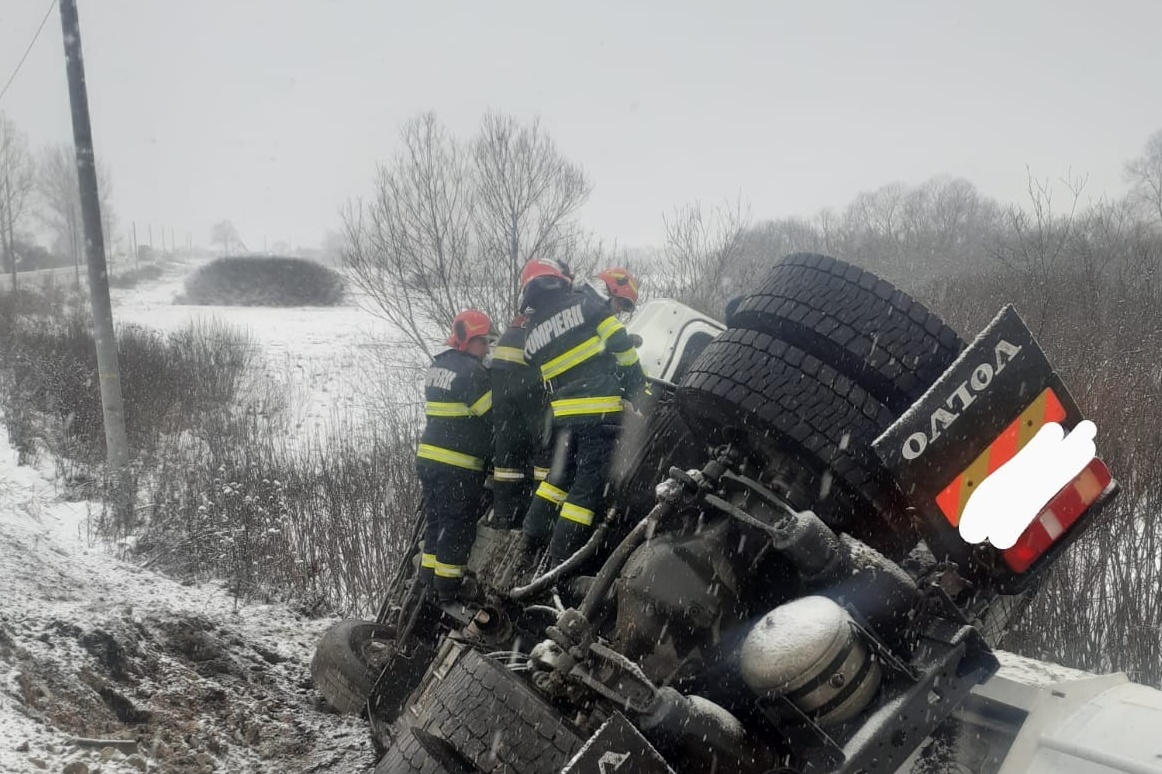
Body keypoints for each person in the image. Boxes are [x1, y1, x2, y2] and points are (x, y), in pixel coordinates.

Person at [515, 258, 649, 570]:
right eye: (620, 303)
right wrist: (640, 393)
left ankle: (529, 541)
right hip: (599, 414)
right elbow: (622, 349)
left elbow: (566, 359)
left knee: (557, 480)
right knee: (587, 489)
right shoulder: (590, 306)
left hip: (564, 418)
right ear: (608, 291)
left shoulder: (532, 331)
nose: (619, 311)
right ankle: (559, 562)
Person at [416, 309, 494, 601]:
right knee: (456, 525)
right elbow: (494, 416)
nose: (486, 349)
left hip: (428, 459)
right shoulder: (472, 373)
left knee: (436, 520)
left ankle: (428, 579)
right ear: (467, 339)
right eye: (483, 342)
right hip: (456, 466)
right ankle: (448, 589)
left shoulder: (439, 365)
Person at [489, 312, 548, 528]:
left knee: (508, 440)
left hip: (502, 365)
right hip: (527, 365)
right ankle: (539, 515)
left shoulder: (537, 308)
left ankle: (505, 514)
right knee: (545, 440)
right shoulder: (578, 306)